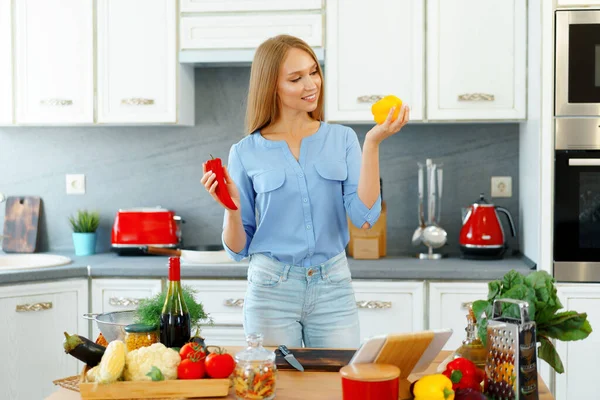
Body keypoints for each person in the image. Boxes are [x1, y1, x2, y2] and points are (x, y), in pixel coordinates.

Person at [201, 34, 409, 348]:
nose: (311, 84)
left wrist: (373, 143)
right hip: (271, 289)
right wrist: (230, 207)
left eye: (314, 72)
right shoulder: (245, 152)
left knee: (336, 388)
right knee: (280, 390)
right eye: (296, 78)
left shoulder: (343, 139)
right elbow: (237, 249)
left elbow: (365, 216)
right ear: (272, 86)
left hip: (333, 287)